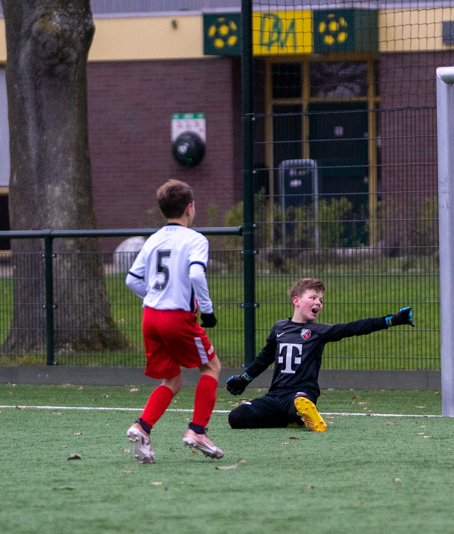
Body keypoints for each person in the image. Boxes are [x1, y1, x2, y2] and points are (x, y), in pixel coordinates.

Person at [225, 278, 414, 430]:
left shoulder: (319, 331)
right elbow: (265, 357)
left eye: (321, 300)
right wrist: (244, 379)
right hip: (275, 396)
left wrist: (393, 320)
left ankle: (300, 413)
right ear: (296, 301)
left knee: (299, 403)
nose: (318, 303)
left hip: (300, 393)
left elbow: (354, 328)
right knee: (236, 417)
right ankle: (290, 419)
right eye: (313, 297)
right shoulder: (279, 328)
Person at [124, 179, 222, 464]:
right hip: (175, 317)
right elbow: (195, 275)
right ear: (190, 209)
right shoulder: (195, 239)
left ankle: (141, 427)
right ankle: (197, 431)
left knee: (173, 378)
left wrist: (155, 294)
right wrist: (207, 309)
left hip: (150, 316)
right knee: (211, 366)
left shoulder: (153, 239)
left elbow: (132, 279)